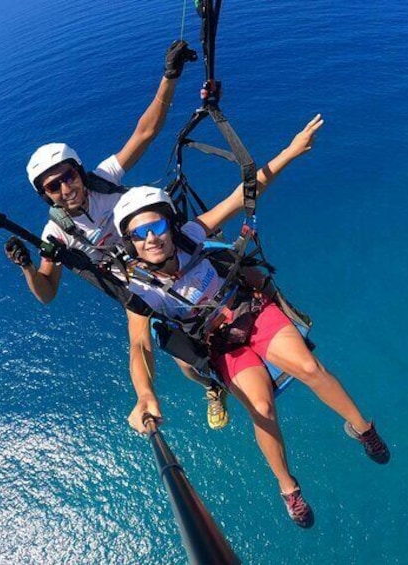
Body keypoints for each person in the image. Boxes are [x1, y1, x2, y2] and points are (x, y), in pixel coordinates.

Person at [110, 115, 390, 529]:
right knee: (261, 408)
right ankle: (288, 488)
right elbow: (139, 345)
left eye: (156, 226)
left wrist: (290, 153)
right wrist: (145, 394)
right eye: (139, 234)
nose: (151, 238)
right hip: (222, 344)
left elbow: (244, 194)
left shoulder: (192, 234)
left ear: (169, 224)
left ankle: (362, 428)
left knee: (310, 368)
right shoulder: (139, 289)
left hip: (250, 312)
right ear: (130, 244)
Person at [3, 41, 232, 429]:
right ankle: (211, 385)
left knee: (236, 263)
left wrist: (170, 77)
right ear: (45, 196)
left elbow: (145, 132)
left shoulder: (103, 180)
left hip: (166, 245)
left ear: (79, 171)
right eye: (53, 188)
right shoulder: (56, 233)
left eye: (68, 177)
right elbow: (47, 293)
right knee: (184, 360)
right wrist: (27, 266)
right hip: (139, 284)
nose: (65, 189)